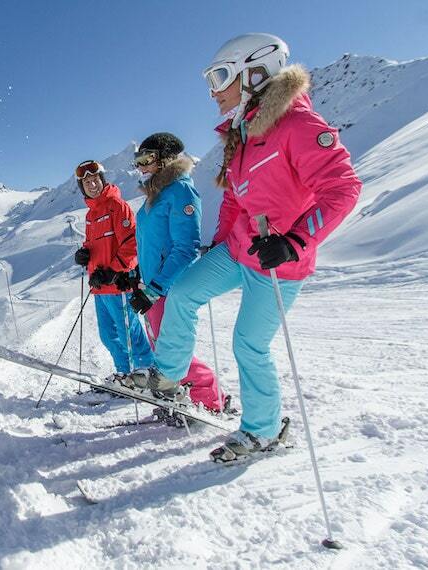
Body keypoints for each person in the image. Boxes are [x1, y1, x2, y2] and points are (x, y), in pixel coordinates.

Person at [136, 33, 362, 461]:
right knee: (182, 294)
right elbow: (236, 201)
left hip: (279, 261)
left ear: (256, 72)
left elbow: (344, 188)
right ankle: (168, 376)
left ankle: (263, 431)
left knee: (248, 343)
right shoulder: (242, 135)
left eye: (221, 77)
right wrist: (218, 246)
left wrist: (295, 241)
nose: (213, 91)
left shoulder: (298, 126)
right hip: (239, 249)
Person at [126, 132, 227, 413]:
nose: (140, 166)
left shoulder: (181, 191)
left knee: (174, 349)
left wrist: (155, 288)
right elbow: (149, 243)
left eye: (146, 159)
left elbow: (186, 248)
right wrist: (137, 274)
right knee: (162, 346)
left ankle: (210, 401)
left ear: (165, 159)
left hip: (169, 286)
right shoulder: (155, 195)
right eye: (138, 160)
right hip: (153, 284)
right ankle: (179, 396)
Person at [73, 160, 153, 381]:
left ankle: (146, 374)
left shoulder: (117, 206)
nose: (92, 185)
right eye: (87, 182)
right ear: (82, 187)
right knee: (108, 336)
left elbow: (132, 244)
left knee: (130, 335)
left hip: (118, 284)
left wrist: (114, 271)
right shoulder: (90, 215)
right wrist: (84, 254)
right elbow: (93, 244)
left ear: (102, 180)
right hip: (99, 286)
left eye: (95, 180)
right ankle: (125, 375)